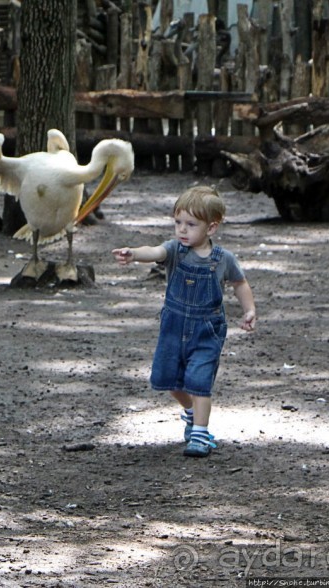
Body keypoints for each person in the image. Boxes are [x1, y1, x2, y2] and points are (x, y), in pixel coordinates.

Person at [112, 186, 256, 457]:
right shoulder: (175, 250)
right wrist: (134, 254)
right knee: (170, 380)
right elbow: (154, 252)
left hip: (206, 330)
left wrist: (249, 309)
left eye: (191, 224)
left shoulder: (223, 259)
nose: (182, 230)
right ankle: (190, 412)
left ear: (211, 228)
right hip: (173, 327)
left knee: (199, 381)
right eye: (178, 222)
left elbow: (239, 282)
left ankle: (200, 434)